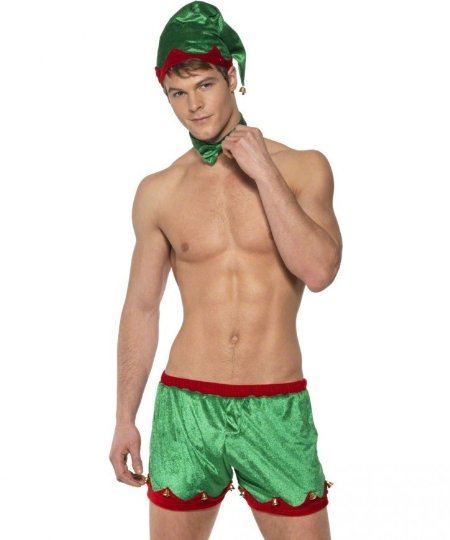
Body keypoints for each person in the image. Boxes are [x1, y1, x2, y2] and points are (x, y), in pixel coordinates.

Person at [109, 2, 342, 538]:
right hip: (186, 404)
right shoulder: (158, 191)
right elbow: (141, 308)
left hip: (275, 404)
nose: (193, 105)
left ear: (232, 76)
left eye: (205, 85)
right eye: (177, 93)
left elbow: (320, 270)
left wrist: (262, 172)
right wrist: (124, 416)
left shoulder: (303, 168)